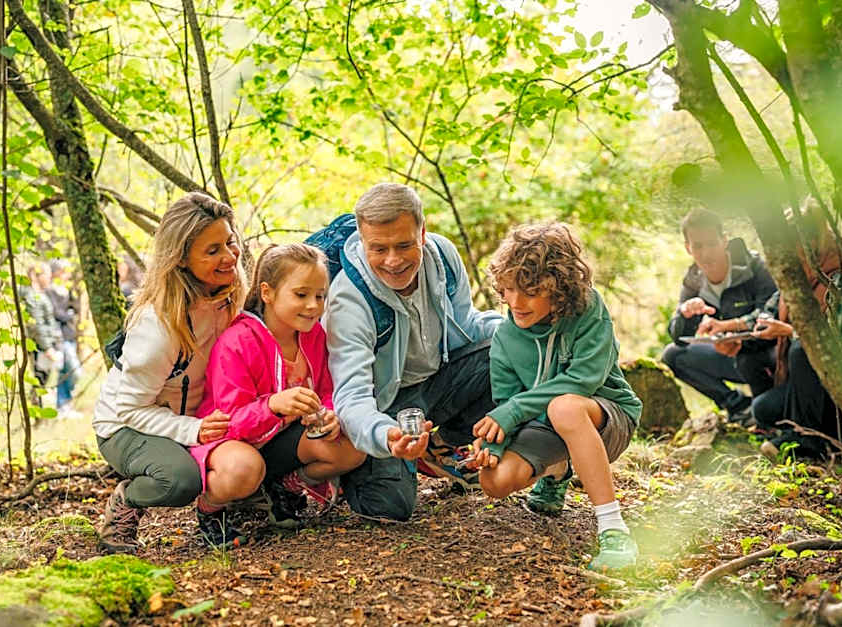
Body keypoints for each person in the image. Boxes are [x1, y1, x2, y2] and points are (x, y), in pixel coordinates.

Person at [468, 222, 642, 571]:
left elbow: (584, 379)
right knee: (493, 482)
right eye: (509, 290)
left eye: (530, 292)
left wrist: (516, 410)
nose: (515, 303)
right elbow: (507, 403)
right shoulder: (505, 338)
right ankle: (557, 472)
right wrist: (491, 448)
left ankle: (613, 530)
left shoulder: (589, 311)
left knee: (564, 408)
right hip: (545, 426)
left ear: (558, 289)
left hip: (605, 417)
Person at [324, 182, 502, 521]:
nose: (393, 260)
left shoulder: (443, 257)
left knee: (508, 350)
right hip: (385, 407)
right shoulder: (349, 300)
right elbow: (351, 397)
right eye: (378, 249)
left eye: (404, 245)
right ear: (363, 242)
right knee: (390, 507)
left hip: (437, 382)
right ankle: (361, 469)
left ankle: (441, 446)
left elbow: (467, 324)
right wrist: (385, 436)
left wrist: (521, 333)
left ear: (422, 233)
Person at [93, 191, 255, 553]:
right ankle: (124, 505)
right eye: (212, 251)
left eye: (230, 242)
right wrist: (193, 430)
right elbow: (129, 409)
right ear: (181, 259)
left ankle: (225, 508)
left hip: (196, 416)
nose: (229, 257)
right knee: (180, 480)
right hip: (126, 425)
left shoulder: (229, 297)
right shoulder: (158, 326)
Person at [190, 243, 366, 529]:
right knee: (243, 470)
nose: (314, 305)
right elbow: (228, 422)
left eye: (320, 295)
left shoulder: (314, 335)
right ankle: (211, 508)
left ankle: (285, 488)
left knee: (351, 448)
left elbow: (325, 391)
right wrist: (272, 405)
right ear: (267, 292)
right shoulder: (237, 342)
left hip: (283, 441)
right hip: (234, 444)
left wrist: (330, 414)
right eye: (301, 294)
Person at [751, 221, 842, 460]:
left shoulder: (839, 281)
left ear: (814, 248)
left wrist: (790, 332)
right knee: (763, 408)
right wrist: (731, 327)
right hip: (812, 388)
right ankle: (808, 436)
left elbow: (838, 350)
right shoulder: (798, 282)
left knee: (801, 350)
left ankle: (808, 443)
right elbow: (765, 311)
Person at [661, 209, 777, 423]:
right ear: (688, 248)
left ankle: (765, 414)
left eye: (712, 244)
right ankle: (739, 407)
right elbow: (678, 337)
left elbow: (771, 313)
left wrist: (728, 328)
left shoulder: (754, 267)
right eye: (698, 246)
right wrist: (686, 314)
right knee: (672, 355)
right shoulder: (693, 279)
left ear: (724, 240)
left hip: (766, 356)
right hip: (727, 355)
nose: (706, 253)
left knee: (749, 360)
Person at [46, 259, 82, 418]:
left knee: (65, 372)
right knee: (74, 370)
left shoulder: (67, 291)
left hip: (70, 334)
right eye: (63, 272)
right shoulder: (50, 291)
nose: (66, 275)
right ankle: (62, 402)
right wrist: (68, 314)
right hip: (59, 337)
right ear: (55, 273)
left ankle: (63, 405)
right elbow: (57, 313)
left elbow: (77, 308)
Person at [21, 263, 63, 392]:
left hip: (45, 344)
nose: (50, 278)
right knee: (39, 382)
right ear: (35, 276)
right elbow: (36, 325)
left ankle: (36, 407)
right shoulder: (32, 296)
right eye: (47, 275)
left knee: (42, 382)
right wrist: (47, 347)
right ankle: (34, 409)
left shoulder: (40, 294)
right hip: (39, 347)